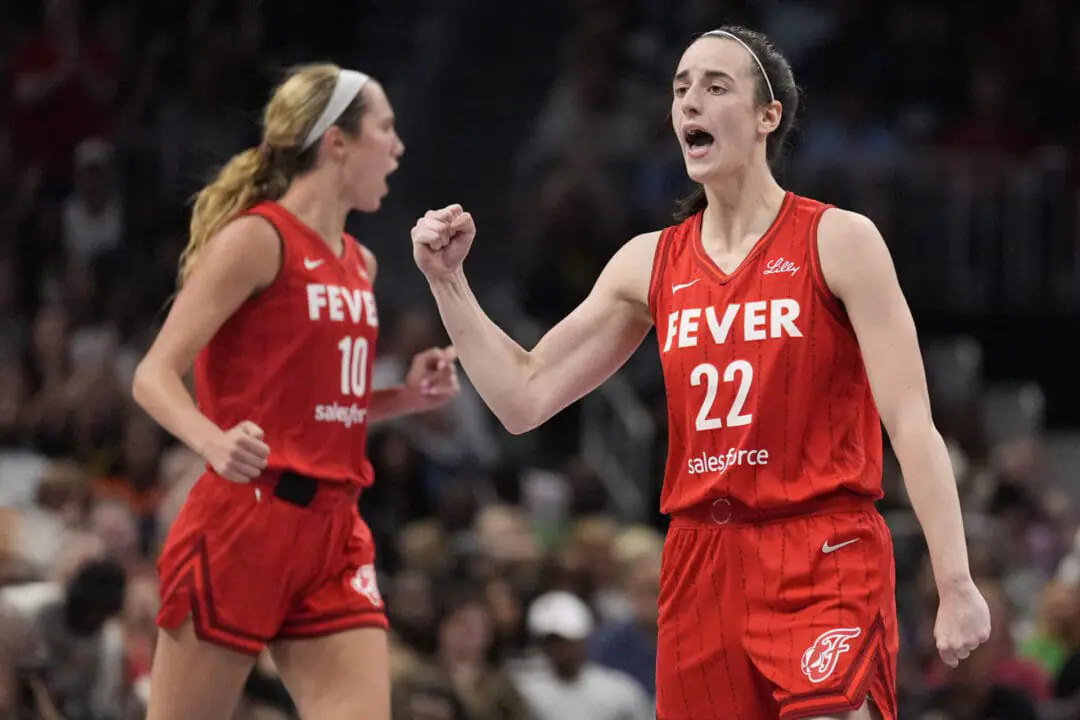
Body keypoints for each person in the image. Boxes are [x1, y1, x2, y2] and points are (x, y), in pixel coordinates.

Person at [411, 26, 991, 720]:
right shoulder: (647, 263)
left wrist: (954, 580)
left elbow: (910, 422)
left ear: (766, 116)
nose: (690, 102)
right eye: (681, 87)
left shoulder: (839, 240)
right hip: (699, 561)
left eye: (716, 86)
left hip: (819, 545)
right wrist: (448, 285)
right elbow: (522, 398)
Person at [132, 63, 460, 720]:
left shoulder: (358, 261)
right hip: (245, 519)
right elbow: (153, 374)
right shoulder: (257, 238)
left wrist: (405, 399)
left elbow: (320, 407)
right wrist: (212, 440)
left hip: (335, 529)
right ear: (336, 141)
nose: (397, 148)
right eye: (385, 129)